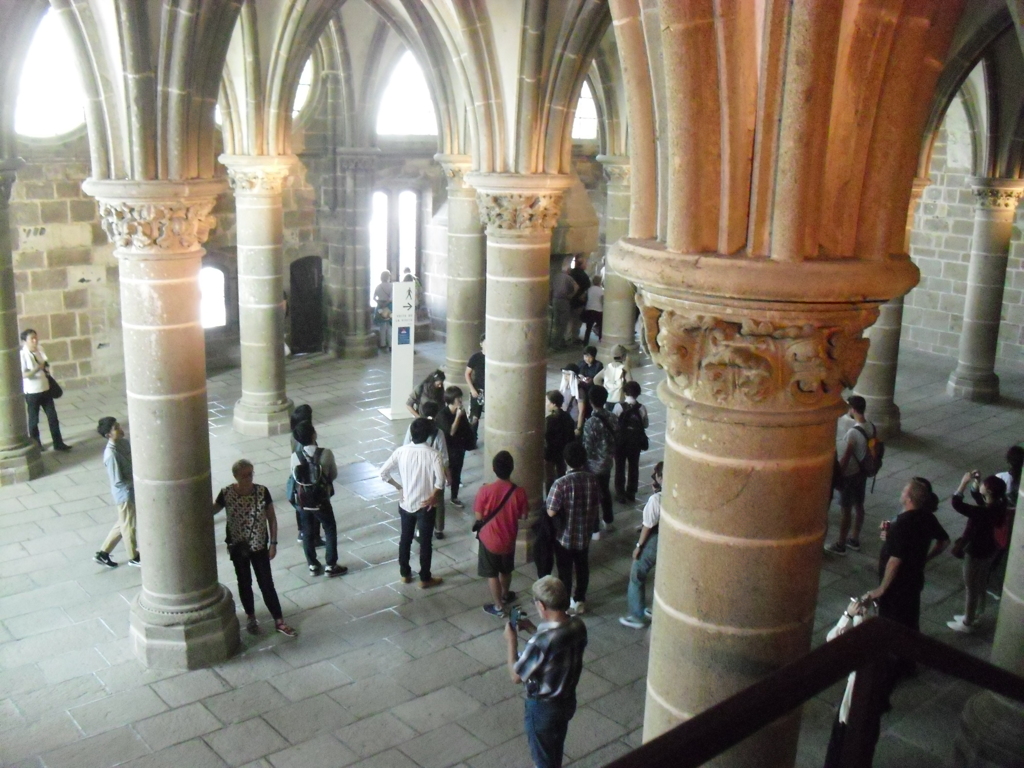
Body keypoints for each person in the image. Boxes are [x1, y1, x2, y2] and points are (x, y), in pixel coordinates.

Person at [504, 576, 587, 768]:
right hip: (566, 701)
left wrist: (511, 641)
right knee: (555, 750)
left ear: (541, 605)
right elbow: (555, 646)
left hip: (543, 708)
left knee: (543, 760)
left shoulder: (540, 642)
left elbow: (516, 675)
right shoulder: (578, 625)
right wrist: (532, 628)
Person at [212, 459, 297, 637]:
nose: (249, 478)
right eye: (244, 475)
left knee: (266, 583)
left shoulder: (261, 491)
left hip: (259, 546)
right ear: (235, 476)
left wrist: (273, 543)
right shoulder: (226, 493)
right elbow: (212, 511)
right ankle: (251, 617)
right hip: (238, 547)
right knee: (244, 583)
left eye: (251, 474)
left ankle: (279, 620)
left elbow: (271, 518)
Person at [864, 477, 949, 632]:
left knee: (892, 623)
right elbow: (944, 541)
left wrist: (881, 589)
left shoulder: (902, 525)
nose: (901, 492)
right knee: (910, 620)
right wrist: (926, 558)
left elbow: (895, 561)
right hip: (914, 579)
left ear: (909, 499)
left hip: (896, 586)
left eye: (904, 490)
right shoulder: (927, 517)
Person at [380, 417, 446, 588]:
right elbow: (441, 481)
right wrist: (434, 495)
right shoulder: (434, 454)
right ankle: (425, 578)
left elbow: (383, 473)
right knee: (425, 542)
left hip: (405, 503)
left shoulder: (400, 451)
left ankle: (405, 573)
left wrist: (399, 487)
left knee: (405, 538)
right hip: (425, 506)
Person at [946, 471, 1007, 632]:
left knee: (971, 586)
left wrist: (963, 483)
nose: (981, 485)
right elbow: (979, 498)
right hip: (990, 549)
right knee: (980, 583)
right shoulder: (998, 506)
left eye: (983, 485)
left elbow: (956, 503)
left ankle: (967, 622)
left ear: (989, 492)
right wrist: (976, 483)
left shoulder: (982, 512)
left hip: (976, 551)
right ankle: (977, 614)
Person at [546, 442, 601, 615]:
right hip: (584, 533)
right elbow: (596, 503)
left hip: (565, 536)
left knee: (565, 571)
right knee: (582, 567)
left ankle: (566, 601)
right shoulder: (592, 480)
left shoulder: (561, 483)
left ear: (566, 460)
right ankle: (580, 599)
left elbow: (551, 511)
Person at [475, 451, 529, 615]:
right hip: (509, 539)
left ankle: (498, 606)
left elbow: (479, 516)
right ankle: (505, 594)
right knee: (506, 570)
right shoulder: (519, 492)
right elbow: (524, 515)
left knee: (492, 573)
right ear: (511, 468)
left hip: (489, 540)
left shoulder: (485, 490)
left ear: (493, 468)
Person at [290, 421, 346, 577]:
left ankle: (313, 565)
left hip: (303, 500)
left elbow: (294, 477)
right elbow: (333, 474)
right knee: (329, 528)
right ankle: (331, 564)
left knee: (307, 531)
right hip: (321, 498)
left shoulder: (295, 456)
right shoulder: (326, 453)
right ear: (314, 434)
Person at [825, 395, 876, 555]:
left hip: (850, 476)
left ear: (853, 409)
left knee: (846, 510)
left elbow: (845, 459)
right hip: (862, 473)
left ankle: (840, 544)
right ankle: (854, 538)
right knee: (859, 505)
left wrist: (836, 476)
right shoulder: (871, 427)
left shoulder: (853, 433)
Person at [619, 462, 662, 628]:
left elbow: (649, 525)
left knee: (637, 573)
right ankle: (656, 608)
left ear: (660, 477)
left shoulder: (656, 499)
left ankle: (637, 615)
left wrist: (639, 546)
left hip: (656, 539)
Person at [93, 417, 139, 568]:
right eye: (116, 428)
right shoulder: (111, 455)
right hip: (125, 494)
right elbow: (117, 481)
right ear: (108, 435)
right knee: (129, 525)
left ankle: (103, 553)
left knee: (124, 522)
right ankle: (133, 556)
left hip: (132, 489)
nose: (120, 429)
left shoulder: (124, 443)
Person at [403, 401, 451, 539]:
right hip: (435, 473)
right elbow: (444, 456)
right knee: (439, 500)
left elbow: (406, 445)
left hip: (418, 471)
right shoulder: (438, 432)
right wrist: (448, 474)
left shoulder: (413, 427)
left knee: (421, 499)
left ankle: (419, 529)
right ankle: (439, 528)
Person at [19, 329, 71, 452]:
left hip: (45, 388)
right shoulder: (23, 355)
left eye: (36, 338)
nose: (35, 340)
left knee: (52, 417)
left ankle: (58, 442)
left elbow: (45, 364)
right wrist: (38, 368)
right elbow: (23, 375)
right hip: (32, 392)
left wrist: (44, 367)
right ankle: (36, 444)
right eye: (32, 338)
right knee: (34, 419)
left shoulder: (40, 349)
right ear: (24, 341)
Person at [582, 385, 617, 535]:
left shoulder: (591, 422)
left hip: (593, 465)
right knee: (605, 491)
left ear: (590, 401)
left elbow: (587, 447)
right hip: (608, 462)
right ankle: (608, 521)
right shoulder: (612, 416)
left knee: (593, 497)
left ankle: (595, 529)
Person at [434, 386, 475, 509]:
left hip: (458, 448)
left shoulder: (460, 411)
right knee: (444, 473)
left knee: (457, 473)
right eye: (458, 398)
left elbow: (465, 428)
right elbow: (451, 431)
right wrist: (458, 416)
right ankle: (438, 496)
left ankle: (454, 496)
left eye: (460, 397)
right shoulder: (443, 415)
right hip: (446, 449)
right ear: (451, 399)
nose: (460, 400)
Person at [989, 445, 1022, 600]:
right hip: (1017, 521)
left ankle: (992, 584)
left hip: (1001, 521)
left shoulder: (1001, 478)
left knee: (996, 551)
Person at [289, 404, 322, 546]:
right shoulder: (306, 436)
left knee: (301, 505)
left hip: (298, 477)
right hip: (309, 477)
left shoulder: (294, 435)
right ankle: (313, 536)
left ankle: (302, 531)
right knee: (314, 508)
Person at [613, 381, 649, 503]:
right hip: (635, 442)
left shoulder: (619, 407)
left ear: (624, 392)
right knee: (633, 467)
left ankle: (620, 492)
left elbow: (614, 423)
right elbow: (645, 424)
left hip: (621, 442)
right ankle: (631, 492)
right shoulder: (642, 408)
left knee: (620, 467)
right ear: (638, 394)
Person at [544, 391, 577, 493]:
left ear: (553, 404)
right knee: (561, 475)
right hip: (563, 452)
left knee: (549, 478)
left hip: (550, 454)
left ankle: (550, 497)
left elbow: (545, 437)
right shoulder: (567, 417)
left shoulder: (549, 420)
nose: (546, 404)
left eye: (547, 401)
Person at [550, 256, 578, 349]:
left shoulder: (555, 276)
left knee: (556, 323)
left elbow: (551, 289)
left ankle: (557, 342)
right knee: (563, 324)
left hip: (555, 300)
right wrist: (571, 295)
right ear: (568, 270)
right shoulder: (568, 278)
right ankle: (557, 344)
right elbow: (576, 287)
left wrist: (550, 299)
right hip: (564, 301)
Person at [593, 344, 632, 408]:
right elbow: (630, 383)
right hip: (620, 400)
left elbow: (596, 379)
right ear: (623, 356)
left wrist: (603, 388)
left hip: (608, 399)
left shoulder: (607, 367)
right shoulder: (624, 368)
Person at [464, 334, 486, 440]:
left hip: (490, 391)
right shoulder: (476, 357)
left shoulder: (495, 358)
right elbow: (467, 374)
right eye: (486, 343)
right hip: (478, 390)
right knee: (474, 417)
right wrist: (472, 389)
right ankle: (472, 438)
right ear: (481, 344)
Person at [567, 254, 591, 344]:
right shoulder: (584, 276)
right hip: (579, 301)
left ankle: (568, 337)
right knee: (576, 321)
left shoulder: (570, 273)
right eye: (586, 263)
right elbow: (586, 289)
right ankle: (574, 338)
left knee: (569, 321)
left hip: (568, 300)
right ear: (582, 264)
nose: (587, 265)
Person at [372, 270, 393, 350]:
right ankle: (390, 345)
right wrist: (386, 303)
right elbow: (391, 298)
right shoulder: (391, 286)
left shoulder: (378, 286)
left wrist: (380, 303)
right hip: (389, 307)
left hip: (380, 307)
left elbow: (374, 297)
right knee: (390, 326)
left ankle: (383, 344)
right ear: (388, 277)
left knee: (382, 327)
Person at [581, 275, 603, 346]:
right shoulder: (601, 290)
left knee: (588, 328)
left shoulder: (589, 289)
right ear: (600, 282)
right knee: (601, 327)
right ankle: (600, 341)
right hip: (598, 310)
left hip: (589, 309)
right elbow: (603, 300)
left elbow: (583, 298)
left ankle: (585, 342)